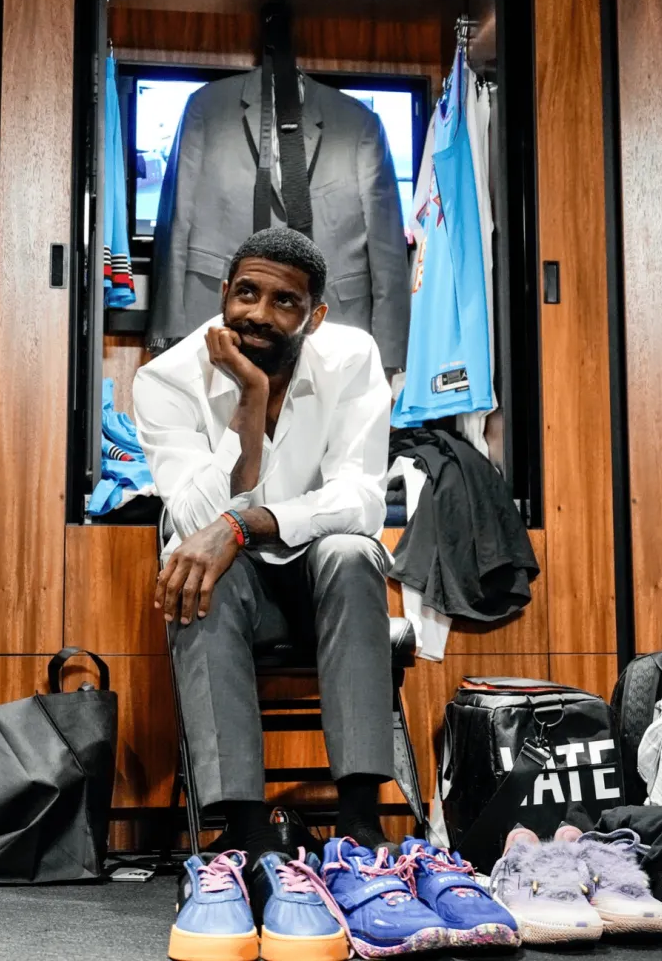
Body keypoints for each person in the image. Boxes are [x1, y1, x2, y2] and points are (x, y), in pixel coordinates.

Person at [133, 228, 396, 961]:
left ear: (314, 315)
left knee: (352, 551)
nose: (259, 313)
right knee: (195, 567)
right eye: (246, 292)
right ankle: (243, 835)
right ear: (224, 294)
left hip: (321, 583)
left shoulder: (351, 358)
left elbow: (360, 499)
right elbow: (193, 516)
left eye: (285, 302)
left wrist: (249, 522)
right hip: (235, 588)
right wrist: (248, 403)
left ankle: (360, 826)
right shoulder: (167, 379)